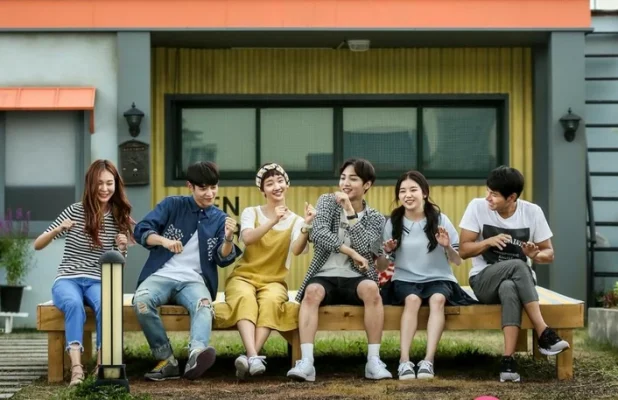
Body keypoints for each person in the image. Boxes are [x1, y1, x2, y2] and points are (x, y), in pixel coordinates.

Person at [458, 165, 569, 383]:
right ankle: (543, 331)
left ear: (511, 197)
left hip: (519, 285)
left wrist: (535, 255)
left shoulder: (532, 212)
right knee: (518, 265)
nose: (487, 198)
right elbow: (463, 250)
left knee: (509, 286)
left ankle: (508, 362)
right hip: (483, 280)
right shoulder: (477, 207)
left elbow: (549, 253)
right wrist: (488, 242)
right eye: (488, 191)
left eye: (494, 194)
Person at [132, 161, 240, 381]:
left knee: (204, 305)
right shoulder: (172, 205)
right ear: (190, 186)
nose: (210, 193)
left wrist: (229, 238)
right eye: (203, 188)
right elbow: (141, 230)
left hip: (194, 281)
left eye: (213, 187)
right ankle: (166, 360)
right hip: (161, 275)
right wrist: (164, 241)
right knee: (141, 302)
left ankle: (196, 354)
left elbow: (222, 258)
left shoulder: (219, 219)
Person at [287, 158, 392, 382]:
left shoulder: (375, 218)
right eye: (343, 178)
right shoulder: (327, 201)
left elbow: (366, 248)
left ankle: (373, 361)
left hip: (357, 277)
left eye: (353, 179)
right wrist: (350, 252)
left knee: (372, 290)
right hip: (324, 274)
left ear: (367, 185)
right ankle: (307, 362)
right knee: (311, 293)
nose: (345, 183)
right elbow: (318, 234)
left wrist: (350, 212)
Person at [34, 160, 132, 386]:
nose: (105, 188)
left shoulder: (118, 216)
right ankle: (77, 369)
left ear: (116, 185)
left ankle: (103, 367)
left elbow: (118, 266)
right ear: (90, 184)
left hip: (98, 279)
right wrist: (59, 229)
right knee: (73, 305)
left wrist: (122, 248)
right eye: (100, 183)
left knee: (107, 306)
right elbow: (38, 244)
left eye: (109, 183)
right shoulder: (75, 210)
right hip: (68, 279)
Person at [217, 163, 315, 379]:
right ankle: (254, 356)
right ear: (263, 191)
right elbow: (248, 238)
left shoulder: (297, 221)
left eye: (280, 181)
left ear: (287, 185)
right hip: (243, 277)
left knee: (271, 302)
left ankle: (250, 357)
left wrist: (307, 225)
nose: (276, 186)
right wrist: (273, 220)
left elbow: (297, 250)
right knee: (244, 298)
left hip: (274, 281)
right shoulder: (251, 212)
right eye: (269, 184)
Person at [382, 171, 476, 380]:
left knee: (438, 299)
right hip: (405, 279)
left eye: (413, 190)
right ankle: (404, 361)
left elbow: (458, 260)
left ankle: (428, 361)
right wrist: (387, 252)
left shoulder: (440, 219)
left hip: (439, 278)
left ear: (424, 193)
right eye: (402, 191)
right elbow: (382, 265)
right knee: (412, 300)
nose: (407, 195)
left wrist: (447, 246)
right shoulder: (393, 222)